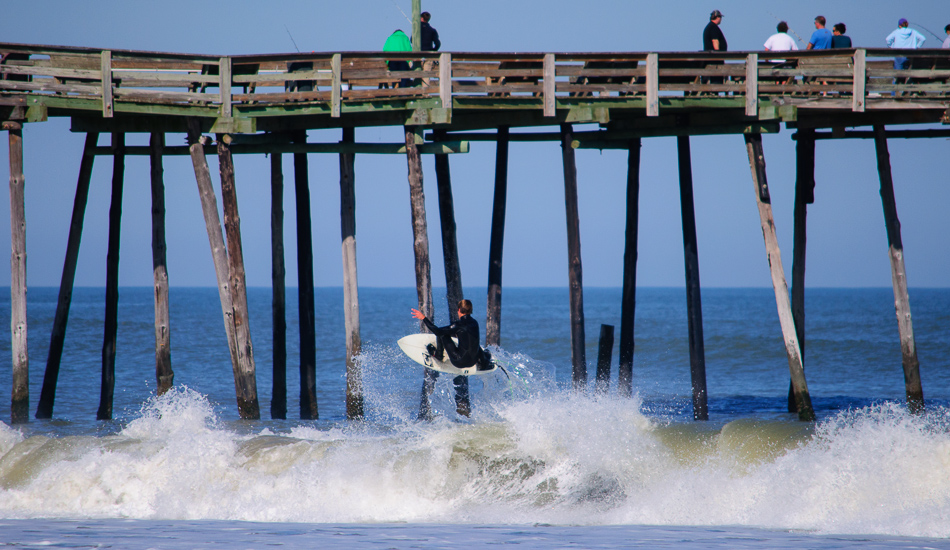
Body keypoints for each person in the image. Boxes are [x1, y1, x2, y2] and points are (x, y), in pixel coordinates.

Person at [410, 299, 492, 370]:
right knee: (473, 339)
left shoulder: (458, 325)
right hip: (473, 361)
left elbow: (438, 332)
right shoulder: (475, 323)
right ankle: (483, 360)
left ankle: (438, 355)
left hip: (459, 362)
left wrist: (423, 318)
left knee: (442, 334)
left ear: (459, 310)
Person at [419, 11, 440, 86]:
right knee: (426, 74)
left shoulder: (417, 29)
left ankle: (417, 91)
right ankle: (425, 93)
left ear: (421, 18)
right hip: (429, 55)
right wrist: (433, 51)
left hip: (418, 55)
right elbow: (438, 44)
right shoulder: (432, 30)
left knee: (417, 73)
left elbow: (412, 40)